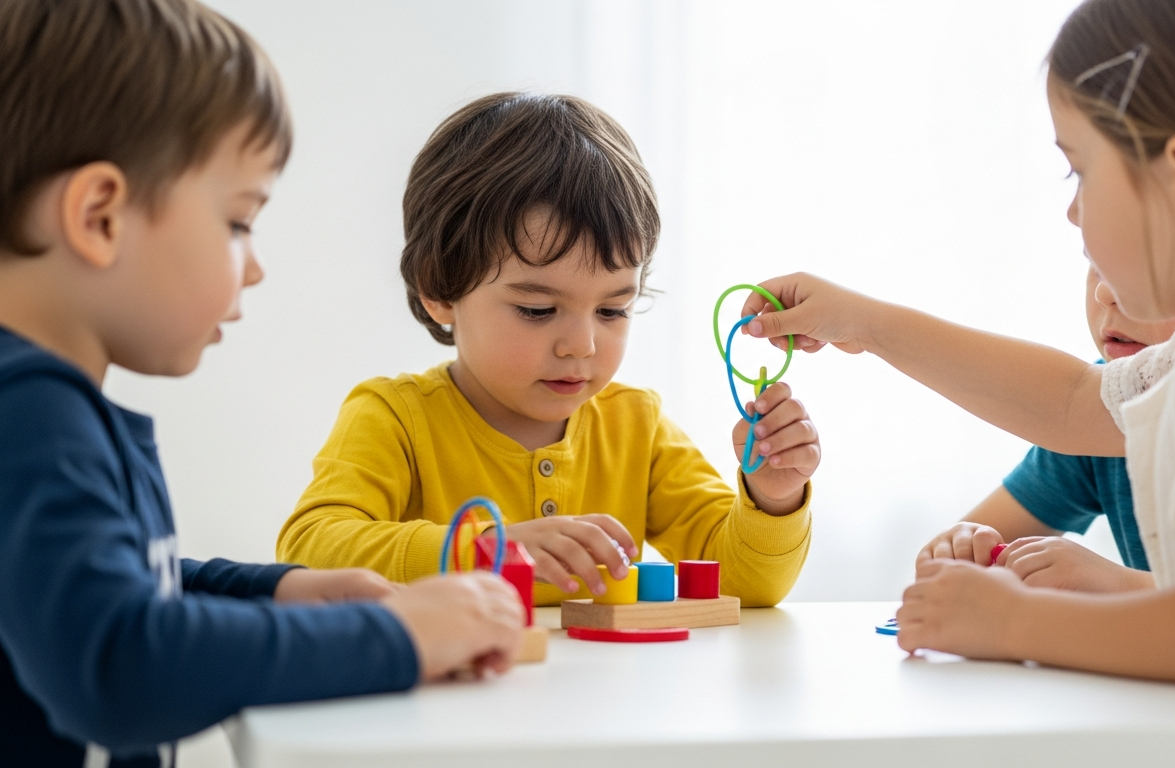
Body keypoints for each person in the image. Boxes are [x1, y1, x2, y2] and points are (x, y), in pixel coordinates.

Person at [741, 0, 1175, 763]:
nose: (1070, 209)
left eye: (1079, 168)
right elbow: (1072, 403)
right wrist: (868, 322)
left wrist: (1010, 624)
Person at [0, 2, 525, 765]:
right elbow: (118, 662)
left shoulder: (40, 408)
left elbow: (115, 585)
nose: (254, 265)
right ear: (101, 216)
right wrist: (400, 637)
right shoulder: (30, 415)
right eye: (239, 221)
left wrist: (278, 591)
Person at [277, 93, 821, 607]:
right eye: (537, 311)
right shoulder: (394, 418)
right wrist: (485, 550)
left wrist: (771, 498)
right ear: (440, 289)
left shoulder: (637, 426)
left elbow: (747, 586)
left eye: (612, 310)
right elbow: (311, 551)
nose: (581, 345)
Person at [917, 266, 1175, 592]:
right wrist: (963, 543)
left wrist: (1118, 586)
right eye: (1096, 267)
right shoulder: (1103, 414)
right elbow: (955, 566)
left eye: (1143, 267)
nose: (1105, 293)